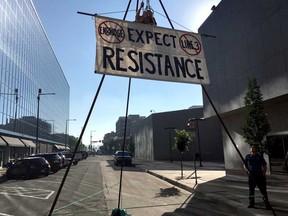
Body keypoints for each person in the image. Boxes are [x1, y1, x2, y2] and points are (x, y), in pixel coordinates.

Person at [243, 145, 271, 209]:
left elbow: (264, 166)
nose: (253, 151)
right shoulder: (247, 157)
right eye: (252, 149)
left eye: (254, 149)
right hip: (252, 176)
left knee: (263, 190)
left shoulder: (259, 157)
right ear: (250, 150)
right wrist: (247, 171)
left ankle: (267, 204)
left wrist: (263, 173)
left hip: (259, 175)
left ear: (256, 150)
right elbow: (245, 165)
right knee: (251, 190)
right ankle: (251, 203)